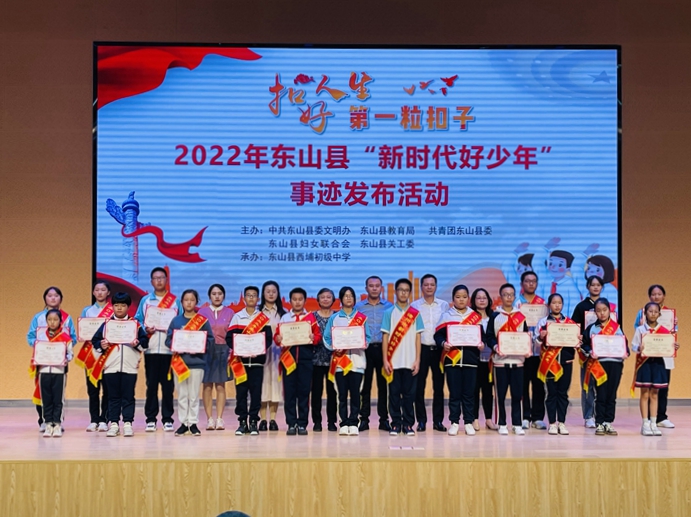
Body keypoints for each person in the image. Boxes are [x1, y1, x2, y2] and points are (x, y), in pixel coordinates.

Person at [91, 292, 150, 437]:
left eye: (123, 305)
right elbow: (95, 341)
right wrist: (101, 345)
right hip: (111, 367)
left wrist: (137, 343)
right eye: (116, 305)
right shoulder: (107, 324)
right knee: (113, 397)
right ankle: (114, 424)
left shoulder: (135, 324)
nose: (119, 308)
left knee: (128, 396)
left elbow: (145, 343)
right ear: (112, 306)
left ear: (128, 307)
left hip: (130, 367)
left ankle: (128, 423)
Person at [135, 267, 182, 432]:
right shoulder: (146, 301)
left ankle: (168, 419)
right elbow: (137, 321)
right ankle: (151, 419)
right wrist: (145, 328)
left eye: (162, 277)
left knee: (168, 387)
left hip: (169, 351)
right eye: (156, 278)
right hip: (151, 350)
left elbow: (181, 322)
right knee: (152, 386)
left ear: (166, 280)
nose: (159, 280)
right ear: (151, 281)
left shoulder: (175, 302)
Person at [434, 284, 484, 436]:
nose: (461, 300)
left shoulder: (475, 316)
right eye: (458, 297)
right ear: (453, 299)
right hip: (452, 360)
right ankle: (454, 422)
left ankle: (468, 422)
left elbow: (481, 337)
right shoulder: (446, 316)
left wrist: (481, 344)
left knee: (469, 394)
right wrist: (443, 343)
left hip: (471, 360)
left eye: (464, 297)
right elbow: (438, 335)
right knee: (454, 393)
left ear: (468, 298)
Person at [27, 286, 77, 431]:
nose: (53, 298)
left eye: (56, 295)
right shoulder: (38, 317)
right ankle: (44, 420)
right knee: (42, 391)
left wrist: (63, 350)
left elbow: (72, 338)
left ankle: (57, 421)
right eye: (50, 295)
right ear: (45, 298)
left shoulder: (67, 318)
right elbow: (31, 337)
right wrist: (40, 347)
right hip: (42, 361)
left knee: (58, 393)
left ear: (61, 298)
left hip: (59, 362)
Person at [165, 289, 214, 436]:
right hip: (180, 362)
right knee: (182, 395)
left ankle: (193, 423)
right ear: (182, 302)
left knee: (193, 395)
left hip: (197, 363)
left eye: (192, 300)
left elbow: (210, 340)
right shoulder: (176, 321)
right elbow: (168, 340)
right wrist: (177, 345)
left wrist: (199, 347)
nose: (189, 303)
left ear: (196, 302)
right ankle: (183, 423)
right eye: (186, 300)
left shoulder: (202, 321)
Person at [323, 286, 371, 436]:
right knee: (341, 395)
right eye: (346, 296)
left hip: (357, 362)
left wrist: (362, 343)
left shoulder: (362, 318)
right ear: (341, 299)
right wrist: (334, 347)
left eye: (351, 295)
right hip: (340, 363)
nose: (348, 298)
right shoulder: (334, 318)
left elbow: (368, 337)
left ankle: (354, 422)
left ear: (354, 299)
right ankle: (343, 422)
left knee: (356, 394)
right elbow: (326, 338)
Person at [275, 288, 321, 435]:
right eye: (294, 299)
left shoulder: (310, 317)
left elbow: (318, 336)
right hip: (288, 360)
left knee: (304, 392)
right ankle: (291, 423)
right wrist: (278, 339)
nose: (297, 302)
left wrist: (314, 338)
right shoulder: (285, 318)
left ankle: (302, 424)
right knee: (289, 393)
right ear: (290, 301)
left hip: (305, 360)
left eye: (300, 299)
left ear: (304, 301)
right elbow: (277, 336)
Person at [227, 286, 273, 436]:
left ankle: (253, 421)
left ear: (258, 299)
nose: (251, 298)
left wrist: (257, 349)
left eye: (254, 295)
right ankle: (242, 422)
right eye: (248, 295)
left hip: (257, 362)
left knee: (256, 393)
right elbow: (229, 338)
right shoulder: (237, 317)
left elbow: (268, 339)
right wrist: (241, 349)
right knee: (241, 394)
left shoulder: (263, 318)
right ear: (244, 298)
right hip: (240, 363)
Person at [534, 293, 581, 435]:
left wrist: (578, 339)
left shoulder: (570, 323)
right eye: (554, 303)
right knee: (551, 393)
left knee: (563, 394)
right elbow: (536, 344)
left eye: (559, 303)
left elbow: (576, 343)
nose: (557, 305)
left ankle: (562, 422)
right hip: (550, 363)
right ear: (549, 305)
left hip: (566, 362)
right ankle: (552, 423)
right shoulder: (543, 323)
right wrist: (540, 337)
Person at [381, 278, 423, 436]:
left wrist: (417, 360)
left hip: (410, 361)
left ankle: (408, 424)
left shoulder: (415, 314)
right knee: (393, 395)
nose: (403, 293)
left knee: (409, 395)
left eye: (406, 290)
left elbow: (418, 338)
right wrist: (385, 360)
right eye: (400, 290)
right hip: (393, 361)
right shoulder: (389, 313)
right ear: (395, 292)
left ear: (410, 293)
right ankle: (396, 424)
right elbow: (385, 337)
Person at [486, 283, 529, 436]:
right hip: (500, 361)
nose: (508, 297)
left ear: (514, 296)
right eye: (505, 295)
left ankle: (517, 424)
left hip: (518, 362)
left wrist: (527, 349)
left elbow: (525, 336)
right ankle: (502, 423)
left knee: (517, 395)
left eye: (511, 295)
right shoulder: (495, 316)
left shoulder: (521, 316)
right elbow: (489, 336)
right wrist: (495, 346)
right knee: (501, 395)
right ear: (501, 296)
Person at [581, 298, 628, 436]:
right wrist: (590, 351)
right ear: (595, 312)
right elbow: (584, 345)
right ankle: (600, 422)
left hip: (615, 364)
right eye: (598, 311)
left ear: (609, 311)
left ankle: (608, 422)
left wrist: (625, 352)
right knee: (600, 394)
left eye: (604, 310)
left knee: (611, 394)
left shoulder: (617, 328)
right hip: (599, 365)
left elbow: (624, 344)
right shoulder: (592, 328)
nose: (602, 313)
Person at [633, 284, 677, 428]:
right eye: (653, 294)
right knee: (646, 389)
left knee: (661, 387)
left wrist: (673, 340)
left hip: (664, 354)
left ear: (664, 296)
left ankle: (661, 417)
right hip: (647, 356)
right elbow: (637, 332)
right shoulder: (641, 313)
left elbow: (673, 334)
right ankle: (648, 420)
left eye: (659, 294)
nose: (656, 296)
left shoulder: (670, 314)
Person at [411, 274, 449, 432]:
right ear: (421, 287)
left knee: (439, 387)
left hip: (439, 350)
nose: (429, 287)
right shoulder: (414, 306)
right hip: (421, 349)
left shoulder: (444, 305)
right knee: (418, 387)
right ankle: (421, 421)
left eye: (432, 284)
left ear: (436, 286)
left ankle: (438, 421)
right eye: (426, 284)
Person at [355, 276, 393, 432]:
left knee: (383, 386)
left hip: (384, 350)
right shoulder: (358, 307)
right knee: (365, 386)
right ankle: (364, 419)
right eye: (371, 286)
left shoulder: (389, 307)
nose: (374, 288)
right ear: (366, 288)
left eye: (377, 286)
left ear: (381, 288)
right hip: (365, 350)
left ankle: (384, 420)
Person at [32, 309, 74, 437]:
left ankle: (57, 423)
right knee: (46, 398)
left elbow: (70, 354)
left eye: (55, 319)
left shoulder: (65, 337)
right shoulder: (41, 337)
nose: (52, 322)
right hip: (44, 371)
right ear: (46, 321)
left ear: (60, 321)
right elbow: (37, 352)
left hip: (59, 371)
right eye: (49, 320)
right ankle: (48, 423)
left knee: (58, 399)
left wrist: (66, 359)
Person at [198, 284, 234, 431]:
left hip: (223, 350)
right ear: (209, 296)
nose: (217, 296)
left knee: (220, 385)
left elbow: (232, 334)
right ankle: (209, 419)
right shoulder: (202, 312)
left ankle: (219, 418)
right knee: (207, 385)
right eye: (214, 294)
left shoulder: (230, 312)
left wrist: (232, 351)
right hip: (206, 351)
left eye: (220, 293)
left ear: (224, 295)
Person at [78, 280, 113, 432]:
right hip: (91, 354)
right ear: (93, 292)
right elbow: (82, 331)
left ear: (108, 292)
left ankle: (104, 419)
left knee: (107, 389)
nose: (100, 292)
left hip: (108, 353)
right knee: (92, 390)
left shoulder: (113, 310)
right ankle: (93, 419)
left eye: (103, 289)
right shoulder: (87, 311)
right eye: (97, 290)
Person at [571, 275, 605, 428]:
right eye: (593, 285)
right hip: (587, 351)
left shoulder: (607, 305)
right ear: (588, 287)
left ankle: (601, 415)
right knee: (588, 385)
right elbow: (574, 327)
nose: (596, 287)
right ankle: (588, 416)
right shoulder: (581, 306)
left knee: (602, 385)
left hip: (603, 351)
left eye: (598, 285)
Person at [514, 271, 547, 430]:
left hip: (539, 351)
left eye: (533, 281)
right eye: (527, 281)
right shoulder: (517, 304)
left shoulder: (543, 304)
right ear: (522, 284)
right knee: (523, 385)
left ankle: (538, 417)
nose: (531, 284)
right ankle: (525, 416)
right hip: (523, 350)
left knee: (539, 385)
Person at [258, 280, 286, 432]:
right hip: (260, 353)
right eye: (268, 291)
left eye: (274, 291)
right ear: (263, 294)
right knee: (262, 384)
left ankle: (273, 419)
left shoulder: (284, 314)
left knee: (275, 385)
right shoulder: (257, 313)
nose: (271, 294)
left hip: (277, 354)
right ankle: (262, 419)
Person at [311, 288, 338, 432]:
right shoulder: (311, 317)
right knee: (316, 393)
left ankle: (332, 421)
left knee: (332, 392)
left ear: (333, 299)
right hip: (315, 360)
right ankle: (317, 422)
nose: (326, 299)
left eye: (328, 297)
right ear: (318, 299)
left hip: (334, 360)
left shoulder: (338, 316)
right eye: (323, 297)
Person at [470, 288, 497, 431]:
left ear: (489, 300)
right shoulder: (469, 317)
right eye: (478, 298)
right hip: (474, 359)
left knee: (488, 391)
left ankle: (488, 419)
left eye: (484, 297)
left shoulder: (495, 316)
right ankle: (474, 419)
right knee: (474, 390)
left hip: (490, 360)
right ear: (473, 300)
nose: (481, 300)